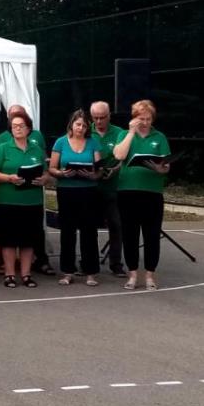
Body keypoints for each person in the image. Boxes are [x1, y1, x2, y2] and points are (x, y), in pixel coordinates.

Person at [0, 110, 49, 288]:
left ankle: (26, 274)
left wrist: (43, 179)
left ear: (28, 129)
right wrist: (8, 178)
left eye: (21, 126)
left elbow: (46, 172)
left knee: (28, 240)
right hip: (9, 200)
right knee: (8, 240)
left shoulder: (36, 149)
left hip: (32, 201)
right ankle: (9, 274)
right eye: (14, 126)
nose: (18, 129)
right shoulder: (3, 148)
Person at [113, 100, 170, 291]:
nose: (145, 123)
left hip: (152, 192)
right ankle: (132, 274)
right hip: (128, 191)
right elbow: (119, 155)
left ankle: (150, 275)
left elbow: (166, 165)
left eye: (148, 119)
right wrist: (131, 133)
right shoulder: (123, 134)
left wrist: (160, 168)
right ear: (134, 118)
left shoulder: (159, 137)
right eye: (141, 119)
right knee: (130, 234)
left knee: (152, 234)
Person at [48, 110, 102, 286]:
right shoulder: (61, 142)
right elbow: (52, 168)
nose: (80, 128)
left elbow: (99, 169)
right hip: (67, 190)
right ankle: (67, 271)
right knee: (67, 231)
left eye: (84, 126)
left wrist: (92, 175)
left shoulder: (93, 143)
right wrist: (62, 173)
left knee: (89, 232)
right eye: (78, 124)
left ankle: (91, 272)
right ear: (71, 124)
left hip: (88, 191)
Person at [90, 101, 126, 277]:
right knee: (89, 226)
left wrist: (115, 170)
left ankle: (116, 263)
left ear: (109, 115)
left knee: (116, 225)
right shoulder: (85, 131)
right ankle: (89, 262)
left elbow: (124, 158)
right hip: (91, 187)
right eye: (95, 118)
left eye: (102, 117)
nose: (98, 121)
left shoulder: (119, 133)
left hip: (113, 187)